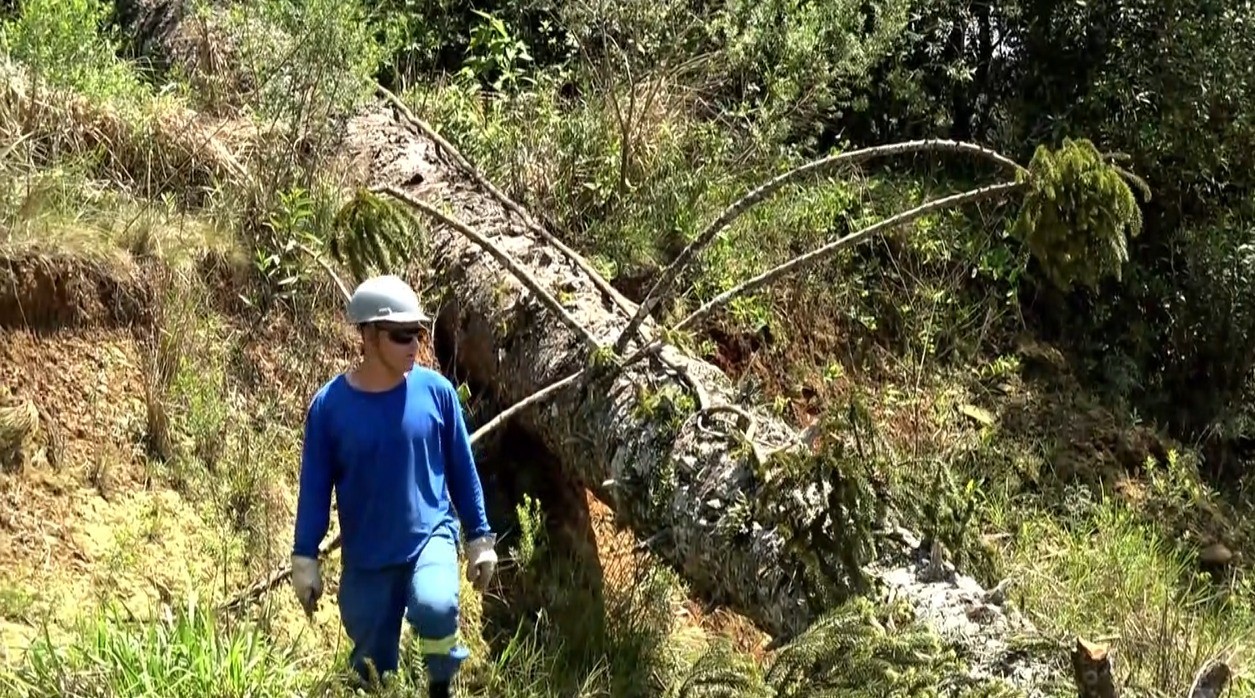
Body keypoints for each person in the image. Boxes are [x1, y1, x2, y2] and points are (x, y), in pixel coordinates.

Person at [289, 274, 497, 698]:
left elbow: (462, 469)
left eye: (417, 334)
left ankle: (440, 685)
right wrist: (305, 558)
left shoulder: (437, 393)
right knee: (371, 666)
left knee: (437, 608)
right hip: (368, 558)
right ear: (367, 334)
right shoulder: (330, 408)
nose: (414, 346)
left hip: (431, 539)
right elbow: (314, 487)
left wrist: (479, 537)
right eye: (401, 336)